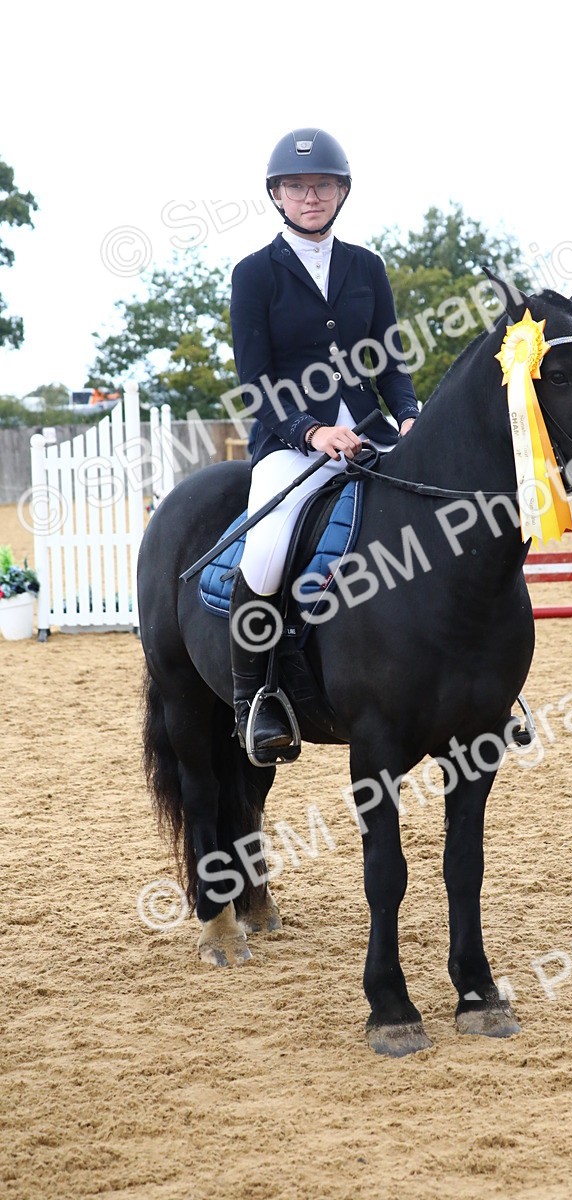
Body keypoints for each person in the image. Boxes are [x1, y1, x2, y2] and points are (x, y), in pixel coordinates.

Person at [228, 128, 419, 763]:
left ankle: (477, 683)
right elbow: (255, 380)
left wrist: (410, 413)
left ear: (341, 192)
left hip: (369, 432)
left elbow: (389, 358)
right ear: (277, 195)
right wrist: (310, 431)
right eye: (298, 186)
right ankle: (254, 698)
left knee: (443, 514)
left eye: (323, 185)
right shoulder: (255, 274)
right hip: (290, 442)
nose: (311, 195)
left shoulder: (368, 267)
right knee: (267, 547)